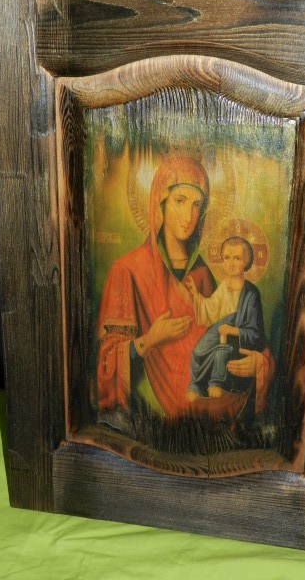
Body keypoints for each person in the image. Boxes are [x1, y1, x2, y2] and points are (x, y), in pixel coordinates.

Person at [96, 156, 274, 418]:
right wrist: (149, 341)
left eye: (197, 205)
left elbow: (227, 324)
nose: (189, 216)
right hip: (155, 413)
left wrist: (260, 362)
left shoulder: (202, 272)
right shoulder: (127, 270)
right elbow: (106, 362)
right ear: (160, 204)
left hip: (213, 399)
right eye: (180, 201)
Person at [185, 237, 267, 400]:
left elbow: (256, 332)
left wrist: (234, 330)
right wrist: (196, 295)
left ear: (246, 261)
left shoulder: (251, 293)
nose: (231, 263)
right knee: (197, 351)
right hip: (219, 332)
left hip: (236, 340)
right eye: (227, 258)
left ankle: (217, 384)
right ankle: (197, 385)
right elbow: (212, 309)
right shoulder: (224, 286)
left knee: (221, 352)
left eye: (237, 258)